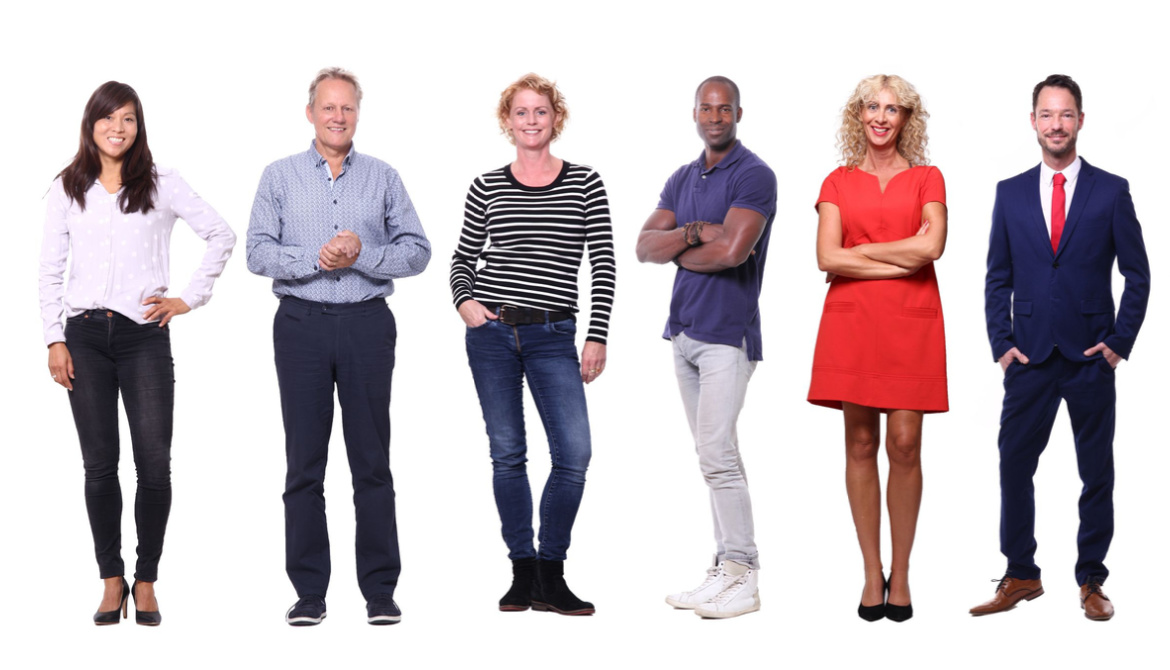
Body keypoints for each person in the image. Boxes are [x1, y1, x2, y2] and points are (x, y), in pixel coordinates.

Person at [39, 81, 236, 626]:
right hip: (83, 336)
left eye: (128, 119)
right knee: (99, 467)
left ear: (138, 125)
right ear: (91, 124)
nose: (117, 129)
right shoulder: (69, 187)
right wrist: (54, 337)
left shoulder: (161, 183)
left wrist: (187, 299)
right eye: (108, 119)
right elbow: (50, 268)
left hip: (143, 337)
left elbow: (221, 235)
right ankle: (110, 579)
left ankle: (145, 580)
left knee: (153, 465)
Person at [247, 67, 431, 626]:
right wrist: (313, 258)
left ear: (357, 114)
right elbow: (256, 252)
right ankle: (309, 592)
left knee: (372, 461)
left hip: (367, 326)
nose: (337, 116)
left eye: (347, 108)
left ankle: (380, 590)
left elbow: (418, 251)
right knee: (304, 461)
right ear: (310, 113)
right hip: (300, 325)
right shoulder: (278, 177)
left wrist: (362, 255)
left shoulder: (383, 177)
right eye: (328, 107)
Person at [971, 74, 1149, 621]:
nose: (1056, 124)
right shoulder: (1009, 192)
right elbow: (997, 277)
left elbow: (1137, 275)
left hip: (1090, 357)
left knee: (1096, 472)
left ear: (1080, 121)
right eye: (1046, 114)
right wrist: (1001, 344)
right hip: (1027, 356)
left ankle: (1092, 580)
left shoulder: (1111, 189)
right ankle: (1021, 574)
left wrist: (1118, 343)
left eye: (1065, 114)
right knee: (1013, 466)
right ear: (1033, 122)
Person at [450, 73, 614, 616]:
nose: (531, 121)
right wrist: (465, 304)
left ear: (555, 119)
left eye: (540, 112)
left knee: (574, 454)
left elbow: (604, 265)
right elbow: (462, 260)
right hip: (492, 333)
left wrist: (597, 335)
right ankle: (522, 572)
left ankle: (551, 568)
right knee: (507, 453)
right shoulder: (487, 185)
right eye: (521, 113)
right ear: (507, 122)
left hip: (553, 333)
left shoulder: (586, 183)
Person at [635, 76, 776, 619]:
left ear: (739, 112)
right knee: (714, 456)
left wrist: (686, 244)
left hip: (728, 335)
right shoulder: (683, 177)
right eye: (706, 108)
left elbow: (736, 251)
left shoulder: (755, 174)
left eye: (725, 109)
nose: (715, 117)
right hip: (685, 333)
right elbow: (646, 247)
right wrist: (695, 234)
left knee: (717, 457)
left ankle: (743, 573)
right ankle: (724, 567)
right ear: (695, 112)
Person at [808, 74, 947, 623]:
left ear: (908, 119)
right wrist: (901, 253)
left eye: (893, 109)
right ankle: (871, 572)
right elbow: (826, 258)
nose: (882, 117)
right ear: (858, 115)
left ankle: (904, 572)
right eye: (872, 107)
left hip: (912, 323)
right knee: (861, 443)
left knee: (906, 443)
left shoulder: (928, 177)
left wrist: (862, 250)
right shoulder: (837, 182)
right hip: (853, 325)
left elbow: (932, 246)